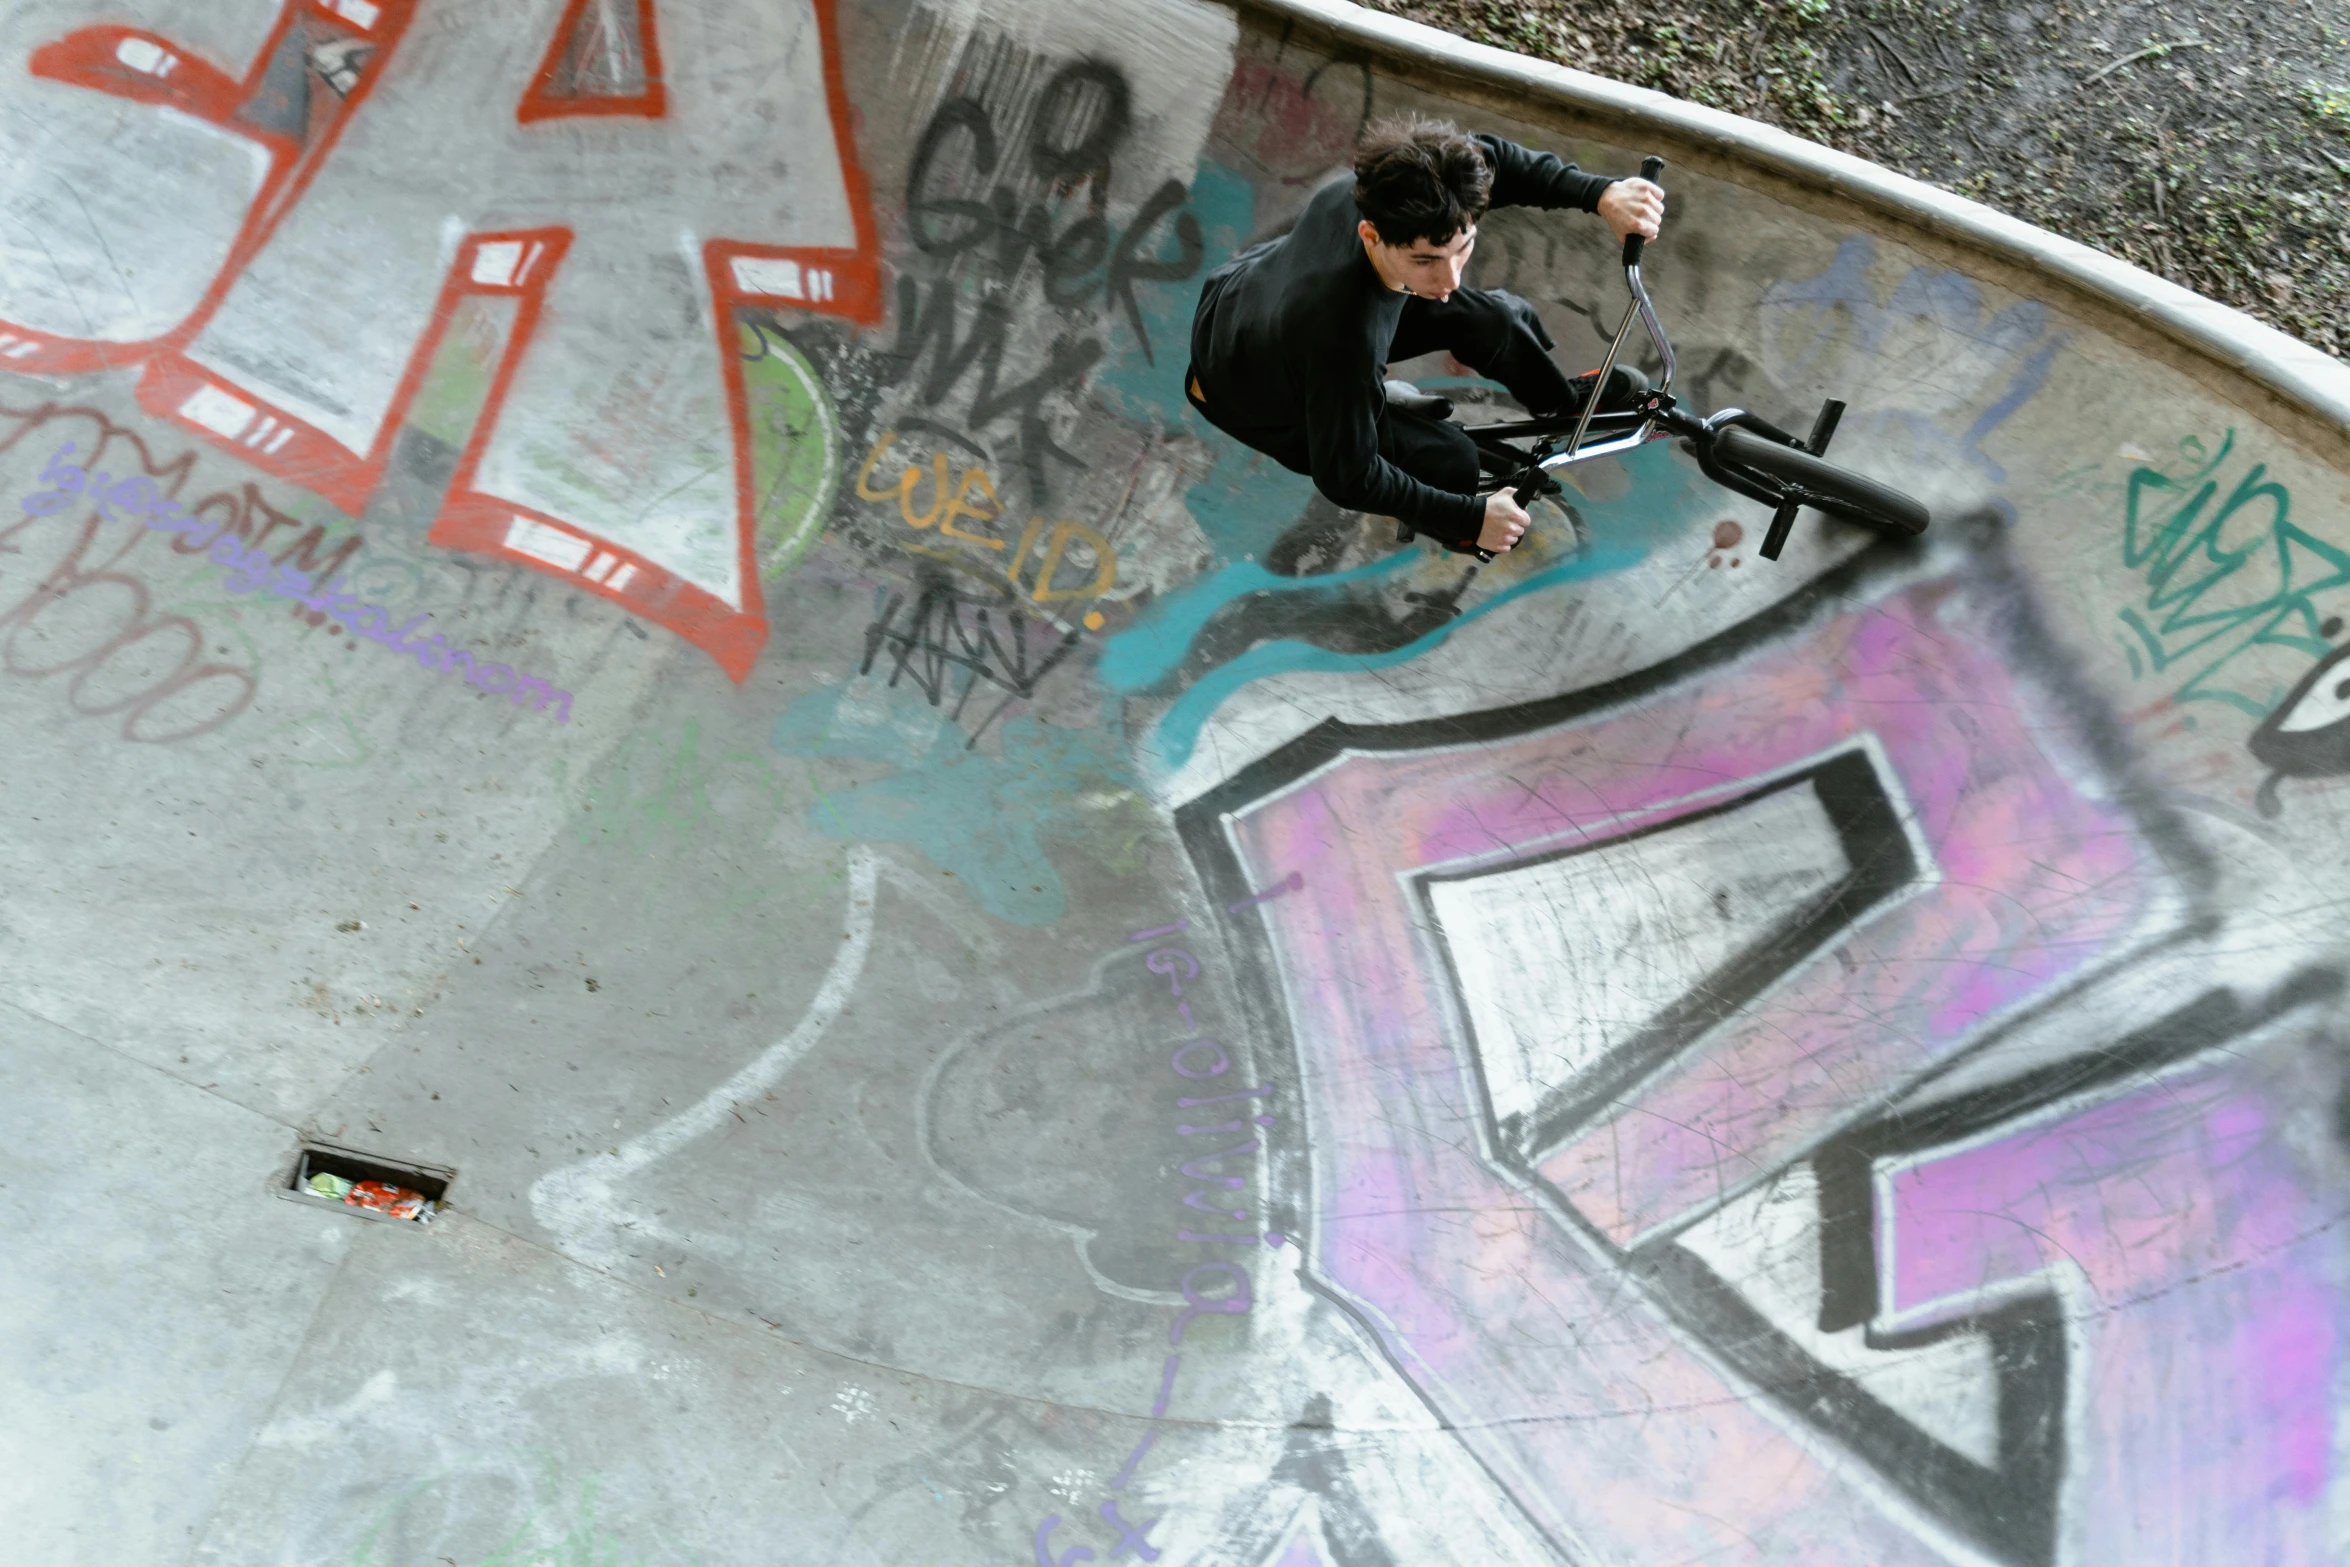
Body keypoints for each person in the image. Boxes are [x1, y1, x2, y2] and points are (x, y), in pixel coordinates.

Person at [1185, 116, 1665, 557]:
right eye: (1427, 261)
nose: (1451, 277)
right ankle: (1456, 526)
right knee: (1449, 461)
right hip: (1248, 387)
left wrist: (1601, 193)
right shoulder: (1340, 333)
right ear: (1371, 236)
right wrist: (1469, 517)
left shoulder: (1405, 190)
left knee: (1492, 318)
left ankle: (1558, 403)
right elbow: (1348, 476)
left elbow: (1493, 158)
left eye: (1463, 248)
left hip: (1255, 295)